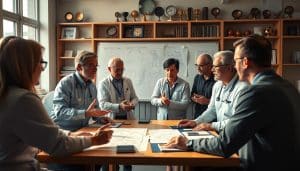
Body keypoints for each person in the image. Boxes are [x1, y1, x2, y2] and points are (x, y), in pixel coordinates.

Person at [164, 35, 300, 171]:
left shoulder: (255, 92)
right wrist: (197, 122)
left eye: (235, 61)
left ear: (245, 62)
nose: (234, 67)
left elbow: (225, 144)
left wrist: (188, 142)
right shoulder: (288, 87)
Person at [0, 36, 113, 171]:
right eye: (40, 62)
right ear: (25, 65)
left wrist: (70, 134)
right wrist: (93, 140)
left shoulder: (8, 94)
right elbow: (57, 144)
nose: (42, 69)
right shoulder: (23, 99)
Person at [178, 51, 248, 132]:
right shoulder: (217, 85)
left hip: (236, 135)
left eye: (215, 66)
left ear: (229, 68)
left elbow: (237, 121)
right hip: (220, 133)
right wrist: (196, 122)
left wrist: (211, 125)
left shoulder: (243, 88)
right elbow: (212, 110)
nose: (212, 70)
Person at [50, 51, 111, 132]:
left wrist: (101, 118)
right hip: (63, 131)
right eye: (91, 65)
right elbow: (60, 112)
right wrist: (85, 113)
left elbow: (93, 111)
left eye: (96, 66)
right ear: (79, 67)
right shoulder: (65, 83)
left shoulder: (92, 86)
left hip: (83, 129)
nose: (95, 69)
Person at [98, 57, 138, 171]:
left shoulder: (127, 81)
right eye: (117, 70)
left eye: (122, 69)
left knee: (127, 155)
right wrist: (119, 106)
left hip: (128, 120)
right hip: (112, 121)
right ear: (109, 69)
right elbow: (103, 104)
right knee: (109, 155)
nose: (120, 72)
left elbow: (135, 97)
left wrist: (132, 103)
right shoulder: (103, 83)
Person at [191, 53, 215, 119]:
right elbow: (192, 95)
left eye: (201, 66)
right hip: (198, 116)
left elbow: (221, 103)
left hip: (212, 118)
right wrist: (195, 98)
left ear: (210, 65)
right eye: (197, 65)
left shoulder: (217, 79)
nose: (198, 68)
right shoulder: (197, 78)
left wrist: (207, 101)